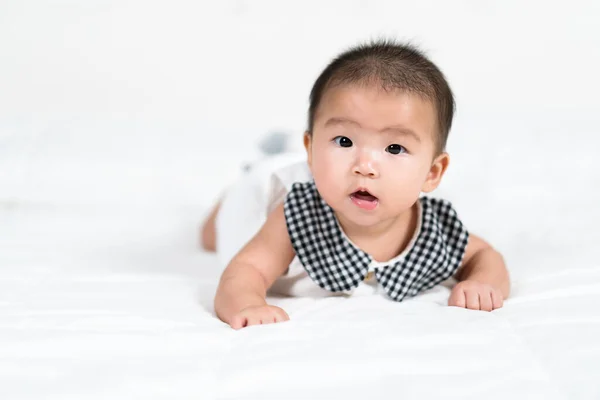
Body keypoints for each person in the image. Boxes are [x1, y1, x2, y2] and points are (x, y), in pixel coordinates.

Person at [201, 40, 510, 330]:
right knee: (213, 235)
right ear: (311, 150)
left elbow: (484, 256)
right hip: (259, 200)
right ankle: (250, 177)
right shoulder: (296, 216)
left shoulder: (435, 228)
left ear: (432, 172)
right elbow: (246, 270)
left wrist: (482, 281)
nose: (365, 166)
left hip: (320, 171)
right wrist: (247, 302)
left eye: (394, 149)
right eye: (345, 141)